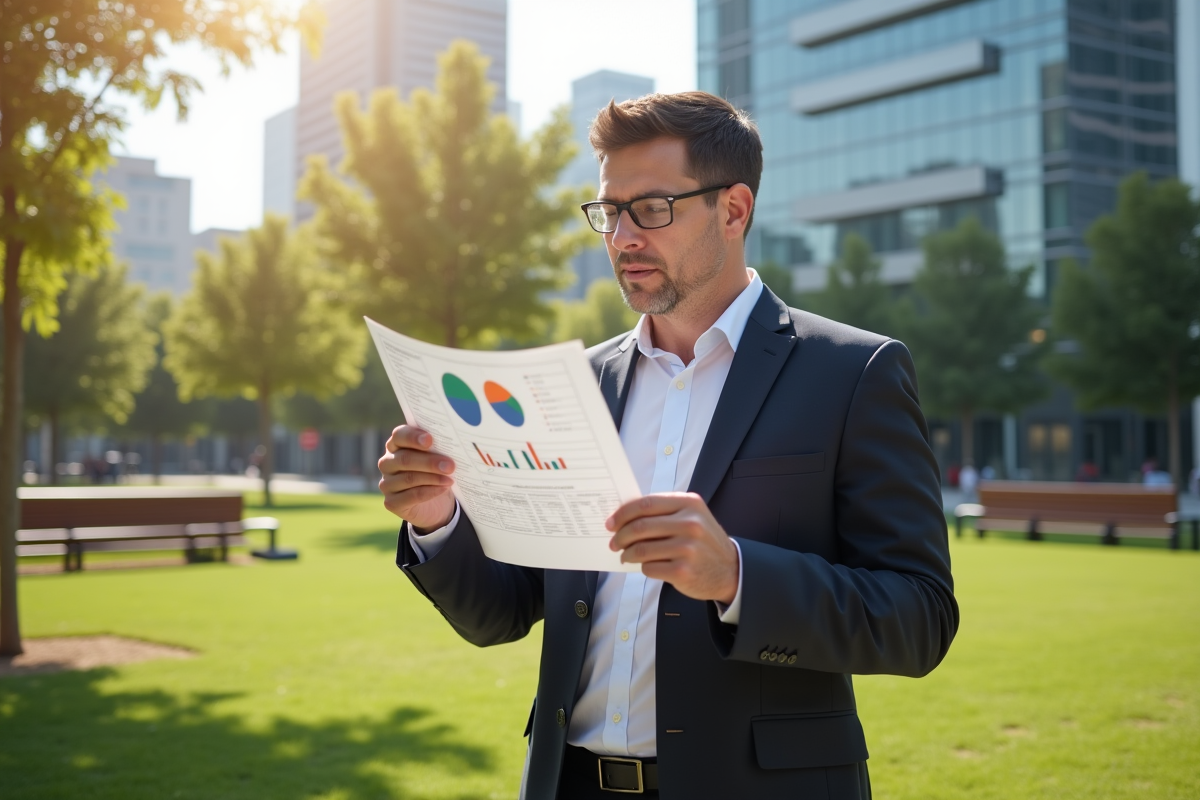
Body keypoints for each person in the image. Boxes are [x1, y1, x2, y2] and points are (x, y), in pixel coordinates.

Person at [379, 92, 958, 799]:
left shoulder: (854, 373)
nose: (622, 237)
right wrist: (439, 519)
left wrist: (737, 576)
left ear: (734, 210)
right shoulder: (577, 385)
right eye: (608, 212)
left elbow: (920, 617)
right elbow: (501, 612)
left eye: (651, 208)